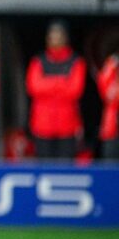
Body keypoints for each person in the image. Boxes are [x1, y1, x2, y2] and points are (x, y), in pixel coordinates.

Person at [26, 22, 85, 159]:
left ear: (66, 38)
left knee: (66, 166)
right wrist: (61, 82)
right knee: (44, 165)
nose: (55, 40)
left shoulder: (76, 62)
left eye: (59, 37)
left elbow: (75, 90)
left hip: (67, 126)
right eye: (52, 37)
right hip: (42, 126)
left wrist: (48, 83)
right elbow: (34, 87)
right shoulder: (38, 61)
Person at [98, 52, 119, 160]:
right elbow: (108, 95)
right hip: (112, 126)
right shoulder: (112, 64)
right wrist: (111, 66)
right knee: (110, 161)